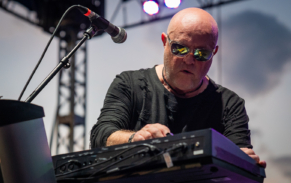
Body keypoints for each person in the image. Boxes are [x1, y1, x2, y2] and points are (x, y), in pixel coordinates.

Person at [90, 7, 266, 168]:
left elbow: (243, 176)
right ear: (164, 42)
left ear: (214, 53)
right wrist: (134, 138)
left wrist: (245, 165)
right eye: (180, 48)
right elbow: (100, 136)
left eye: (202, 53)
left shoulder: (229, 104)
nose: (189, 60)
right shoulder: (129, 84)